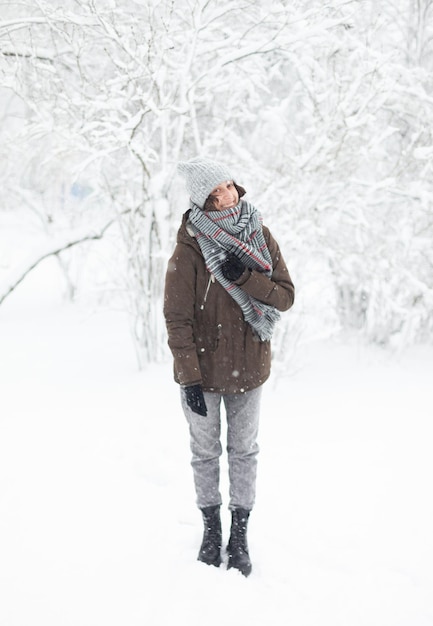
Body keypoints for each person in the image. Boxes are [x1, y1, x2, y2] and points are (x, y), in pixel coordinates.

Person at [163, 156, 295, 577]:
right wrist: (188, 379)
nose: (225, 196)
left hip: (250, 368)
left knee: (244, 452)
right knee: (205, 454)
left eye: (227, 185)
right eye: (213, 192)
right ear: (201, 201)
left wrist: (247, 279)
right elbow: (177, 316)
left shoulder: (259, 234)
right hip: (202, 375)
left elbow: (285, 296)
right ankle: (210, 529)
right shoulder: (189, 247)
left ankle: (239, 534)